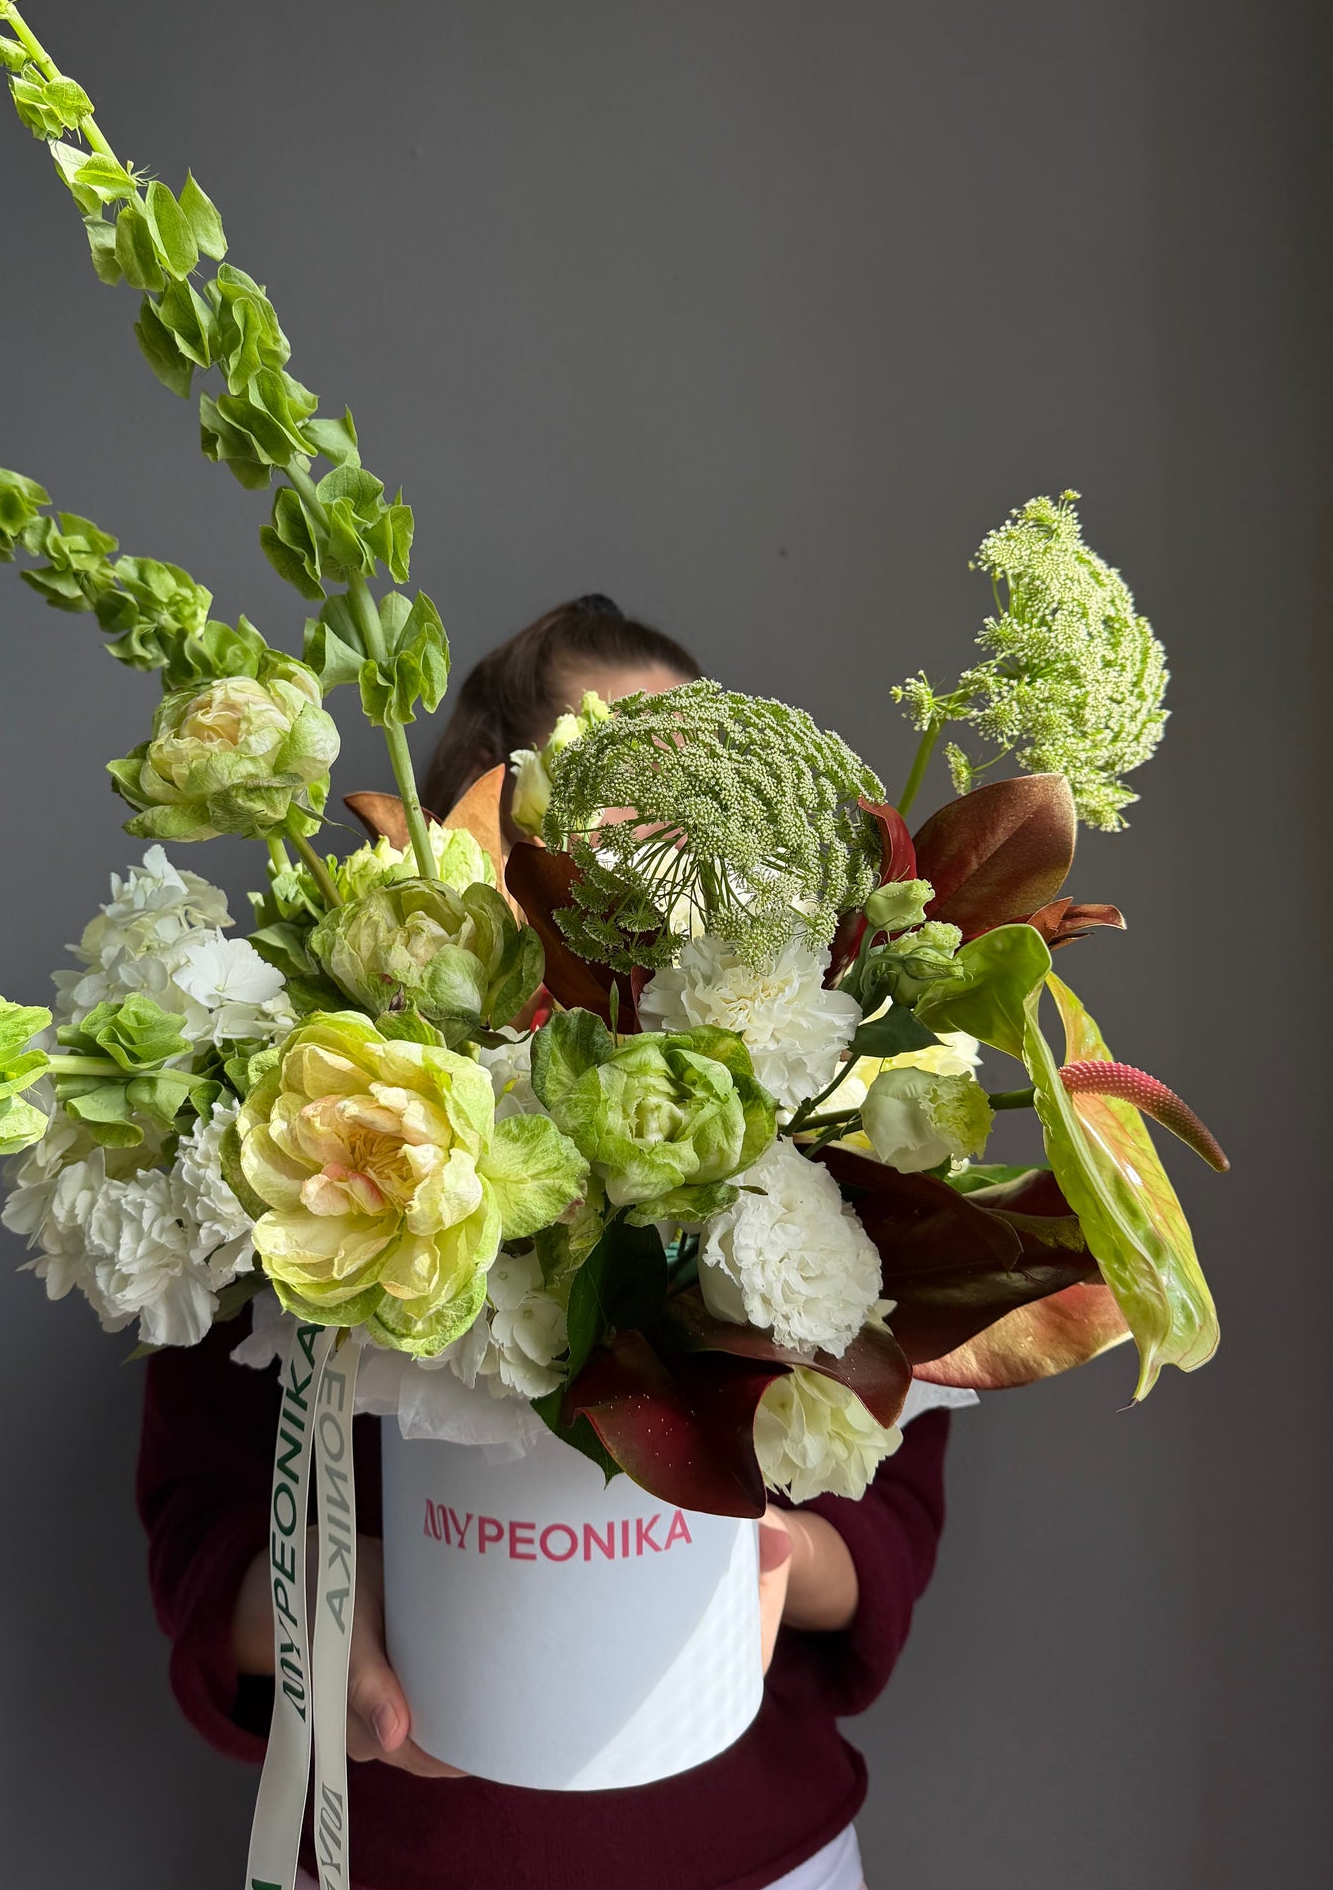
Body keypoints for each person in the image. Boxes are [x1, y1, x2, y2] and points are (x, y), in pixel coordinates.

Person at [136, 595, 951, 1890]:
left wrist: (783, 1564)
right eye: (600, 773)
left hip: (756, 1855)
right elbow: (200, 1510)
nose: (650, 830)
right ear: (476, 829)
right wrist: (315, 1624)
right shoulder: (316, 1120)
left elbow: (896, 1493)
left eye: (699, 775)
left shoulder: (828, 1112)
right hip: (398, 1856)